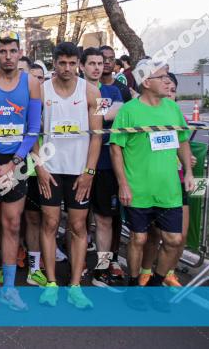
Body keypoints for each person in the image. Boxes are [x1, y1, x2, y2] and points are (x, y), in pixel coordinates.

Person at [110, 60, 194, 310]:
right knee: (138, 238)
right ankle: (134, 286)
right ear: (147, 83)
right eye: (162, 77)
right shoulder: (129, 111)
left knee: (174, 240)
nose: (168, 81)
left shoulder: (172, 109)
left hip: (168, 188)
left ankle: (156, 285)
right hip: (138, 188)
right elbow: (116, 149)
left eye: (167, 77)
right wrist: (123, 184)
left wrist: (188, 172)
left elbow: (182, 141)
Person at [0, 34, 42, 311]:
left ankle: (10, 289)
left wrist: (13, 164)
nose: (9, 56)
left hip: (16, 161)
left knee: (12, 225)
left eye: (13, 51)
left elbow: (34, 129)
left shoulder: (33, 84)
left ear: (20, 52)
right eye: (3, 52)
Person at [34, 43, 102, 309]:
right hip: (50, 171)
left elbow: (97, 137)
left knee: (78, 227)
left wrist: (89, 172)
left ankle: (75, 285)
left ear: (79, 64)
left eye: (72, 63)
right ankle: (51, 282)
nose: (67, 68)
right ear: (54, 63)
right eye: (62, 63)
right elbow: (31, 132)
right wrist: (39, 167)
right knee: (49, 224)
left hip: (79, 172)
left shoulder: (92, 92)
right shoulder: (40, 91)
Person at [91, 45, 131, 287]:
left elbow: (102, 115)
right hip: (76, 162)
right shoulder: (74, 87)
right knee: (76, 221)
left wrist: (94, 110)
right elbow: (98, 115)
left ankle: (103, 266)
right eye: (96, 61)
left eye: (107, 60)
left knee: (107, 218)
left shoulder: (115, 90)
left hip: (106, 164)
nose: (102, 65)